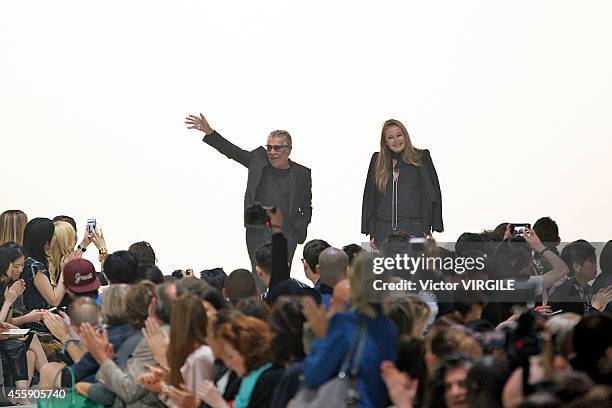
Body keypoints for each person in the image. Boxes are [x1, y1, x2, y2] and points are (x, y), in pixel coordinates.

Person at [185, 113, 312, 289]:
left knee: (281, 279)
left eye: (277, 148)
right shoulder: (258, 160)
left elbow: (306, 205)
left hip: (286, 233)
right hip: (258, 231)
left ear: (289, 149)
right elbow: (232, 151)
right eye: (269, 147)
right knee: (260, 277)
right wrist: (209, 132)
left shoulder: (302, 174)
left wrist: (299, 230)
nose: (272, 152)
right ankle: (261, 311)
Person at [361, 119, 443, 248]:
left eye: (399, 135)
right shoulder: (377, 161)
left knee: (413, 267)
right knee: (386, 268)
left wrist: (426, 228)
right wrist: (373, 232)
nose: (396, 140)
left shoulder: (420, 157)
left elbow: (430, 194)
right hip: (383, 230)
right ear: (385, 142)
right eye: (391, 137)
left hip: (414, 228)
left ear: (405, 136)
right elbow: (371, 199)